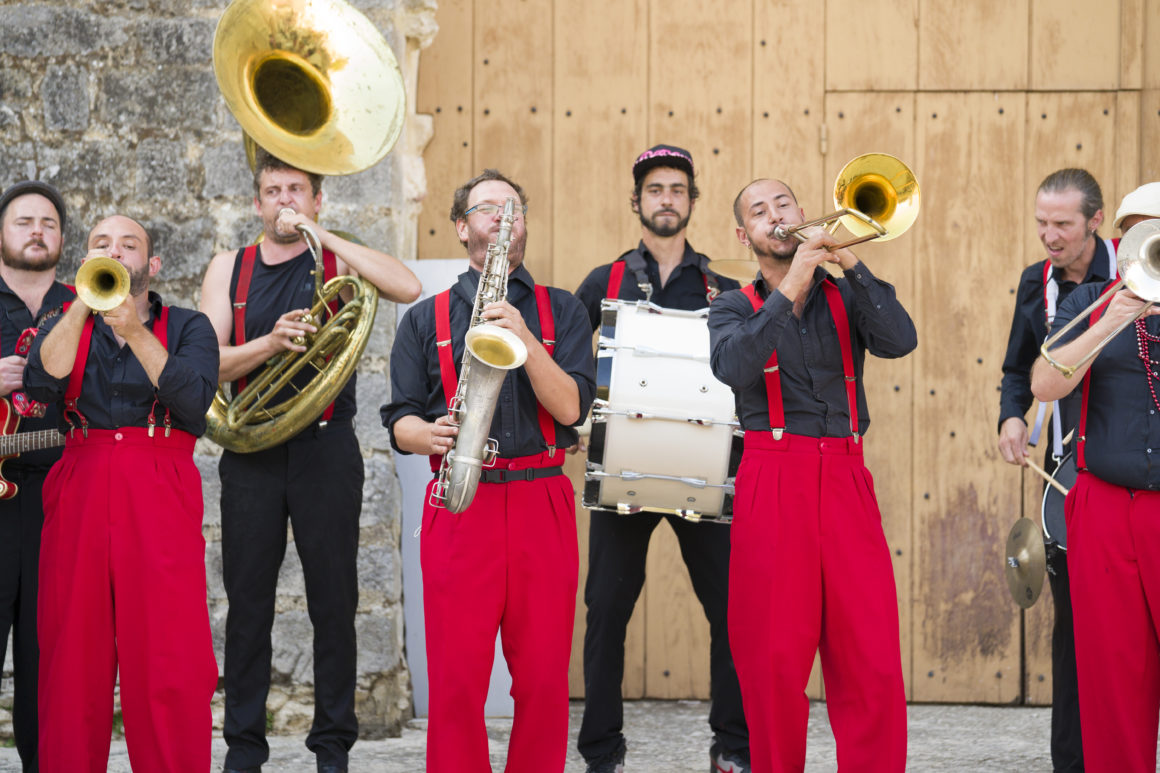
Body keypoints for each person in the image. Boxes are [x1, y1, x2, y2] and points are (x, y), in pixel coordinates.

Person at [200, 149, 421, 773]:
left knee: (333, 601)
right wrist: (270, 344)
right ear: (256, 202)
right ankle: (244, 748)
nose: (285, 202)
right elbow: (205, 363)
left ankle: (332, 749)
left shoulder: (335, 257)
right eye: (273, 191)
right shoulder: (230, 267)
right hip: (252, 453)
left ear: (317, 200)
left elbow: (406, 286)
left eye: (297, 190)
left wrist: (328, 240)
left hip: (326, 449)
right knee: (247, 604)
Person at [381, 169, 594, 773]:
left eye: (514, 208)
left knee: (545, 684)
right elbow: (398, 419)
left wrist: (525, 336)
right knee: (455, 686)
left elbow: (572, 408)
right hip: (459, 501)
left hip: (541, 499)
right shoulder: (423, 320)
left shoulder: (563, 310)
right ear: (462, 227)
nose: (503, 216)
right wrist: (427, 433)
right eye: (487, 207)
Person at [707, 178, 916, 772]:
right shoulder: (730, 306)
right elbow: (735, 364)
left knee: (870, 657)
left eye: (783, 204)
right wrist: (794, 279)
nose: (774, 216)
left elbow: (901, 340)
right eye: (758, 210)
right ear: (742, 234)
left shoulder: (849, 293)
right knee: (773, 662)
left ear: (803, 214)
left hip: (847, 477)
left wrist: (849, 260)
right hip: (772, 479)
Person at [573, 145, 748, 773]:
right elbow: (568, 363)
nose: (666, 198)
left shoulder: (724, 283)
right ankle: (602, 754)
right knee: (606, 615)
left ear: (692, 202)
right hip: (625, 470)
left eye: (677, 189)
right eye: (655, 190)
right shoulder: (605, 281)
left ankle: (732, 747)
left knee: (731, 612)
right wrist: (575, 421)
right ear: (638, 202)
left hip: (708, 475)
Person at [24, 214, 220, 772]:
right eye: (102, 244)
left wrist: (134, 330)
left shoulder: (189, 327)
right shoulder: (64, 321)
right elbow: (42, 383)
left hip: (160, 480)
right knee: (71, 657)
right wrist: (84, 305)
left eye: (129, 244)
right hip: (81, 478)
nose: (116, 251)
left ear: (151, 265)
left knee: (169, 657)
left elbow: (194, 403)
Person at [1030, 199, 1160, 773]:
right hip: (1107, 508)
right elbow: (1044, 383)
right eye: (1134, 236)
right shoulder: (1090, 300)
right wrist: (1113, 319)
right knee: (1112, 679)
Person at [997, 168, 1115, 773]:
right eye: (1042, 222)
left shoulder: (1135, 273)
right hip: (1068, 472)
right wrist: (1011, 416)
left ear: (1095, 221)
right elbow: (1019, 368)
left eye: (1063, 224)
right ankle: (1072, 764)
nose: (1049, 235)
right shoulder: (1034, 282)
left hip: (1132, 469)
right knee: (1072, 631)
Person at [0, 181, 73, 772]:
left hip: (59, 502)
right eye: (24, 222)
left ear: (62, 239)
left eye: (47, 224)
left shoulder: (87, 305)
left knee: (48, 661)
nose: (35, 232)